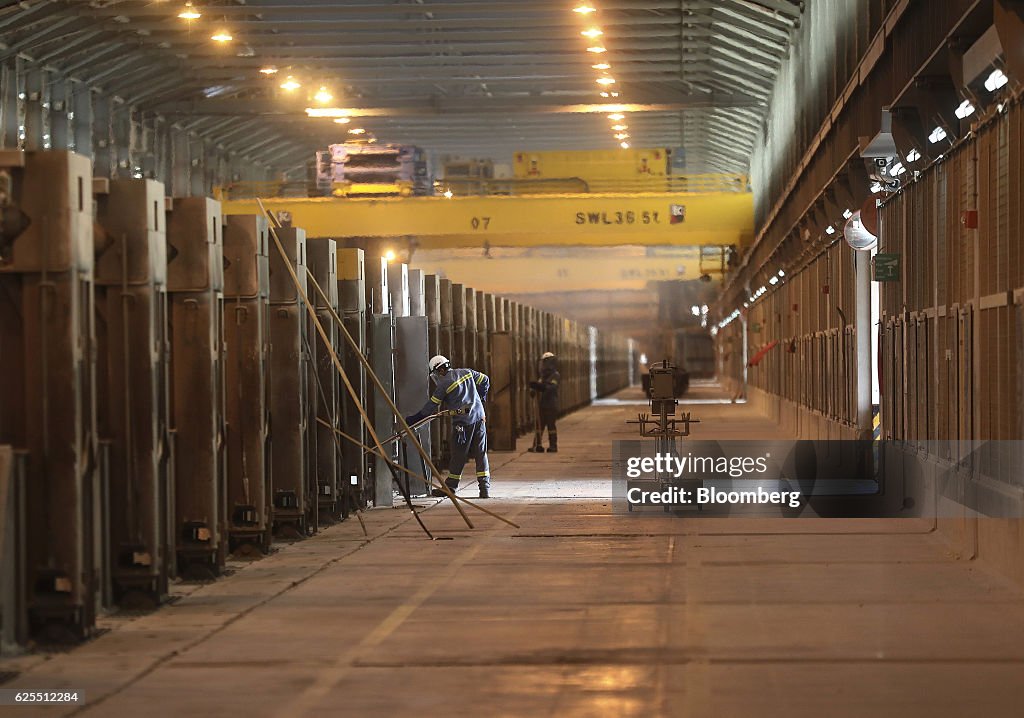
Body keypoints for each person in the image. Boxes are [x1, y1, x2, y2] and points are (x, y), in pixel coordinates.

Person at [405, 355, 492, 499]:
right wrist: (481, 398)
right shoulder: (466, 372)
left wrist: (413, 419)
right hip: (479, 418)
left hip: (463, 423)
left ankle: (451, 487)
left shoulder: (444, 384)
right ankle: (484, 489)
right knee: (481, 453)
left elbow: (430, 408)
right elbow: (485, 380)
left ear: (438, 371)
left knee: (458, 455)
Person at [528, 351, 559, 453]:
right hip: (542, 404)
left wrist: (539, 386)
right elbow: (539, 386)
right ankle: (537, 445)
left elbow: (551, 388)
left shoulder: (555, 375)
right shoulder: (542, 376)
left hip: (551, 405)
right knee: (539, 426)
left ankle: (553, 446)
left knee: (551, 426)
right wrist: (533, 390)